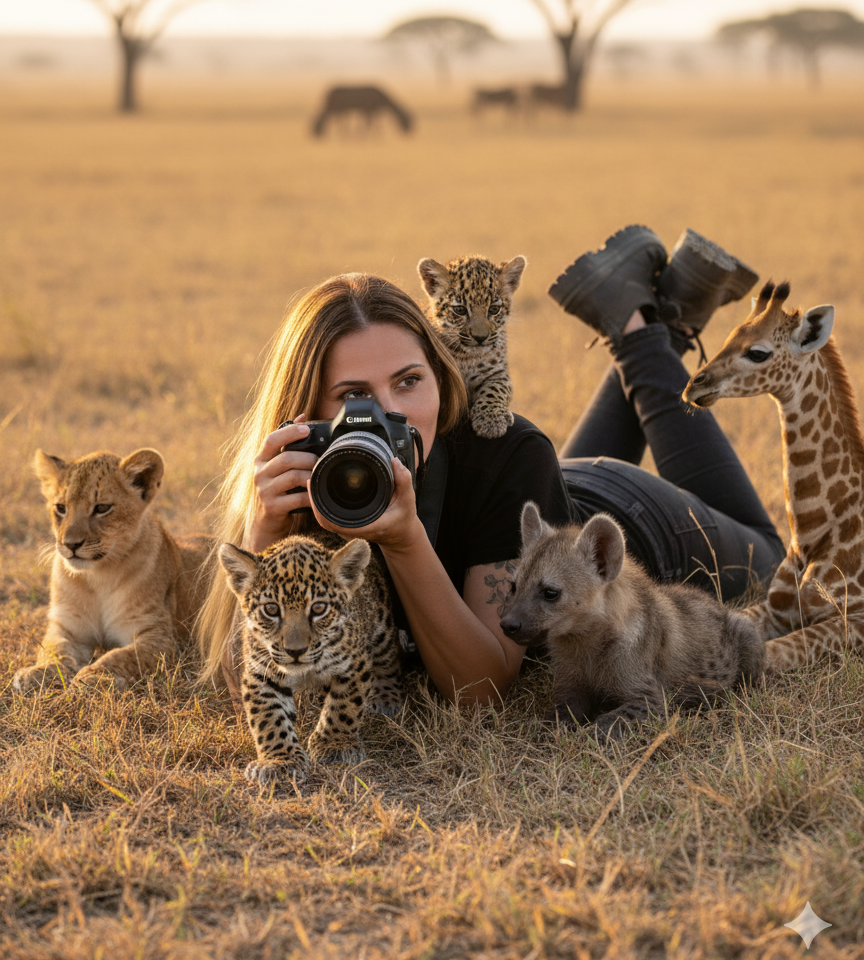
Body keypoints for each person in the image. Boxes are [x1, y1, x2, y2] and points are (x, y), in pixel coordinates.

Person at [197, 225, 785, 708]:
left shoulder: (506, 453)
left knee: (771, 552)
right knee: (534, 465)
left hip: (630, 527)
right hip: (537, 507)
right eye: (356, 396)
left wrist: (404, 540)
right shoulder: (304, 480)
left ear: (441, 372)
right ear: (307, 418)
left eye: (409, 381)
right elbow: (248, 692)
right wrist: (264, 534)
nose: (394, 411)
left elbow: (481, 692)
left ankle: (638, 328)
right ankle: (659, 316)